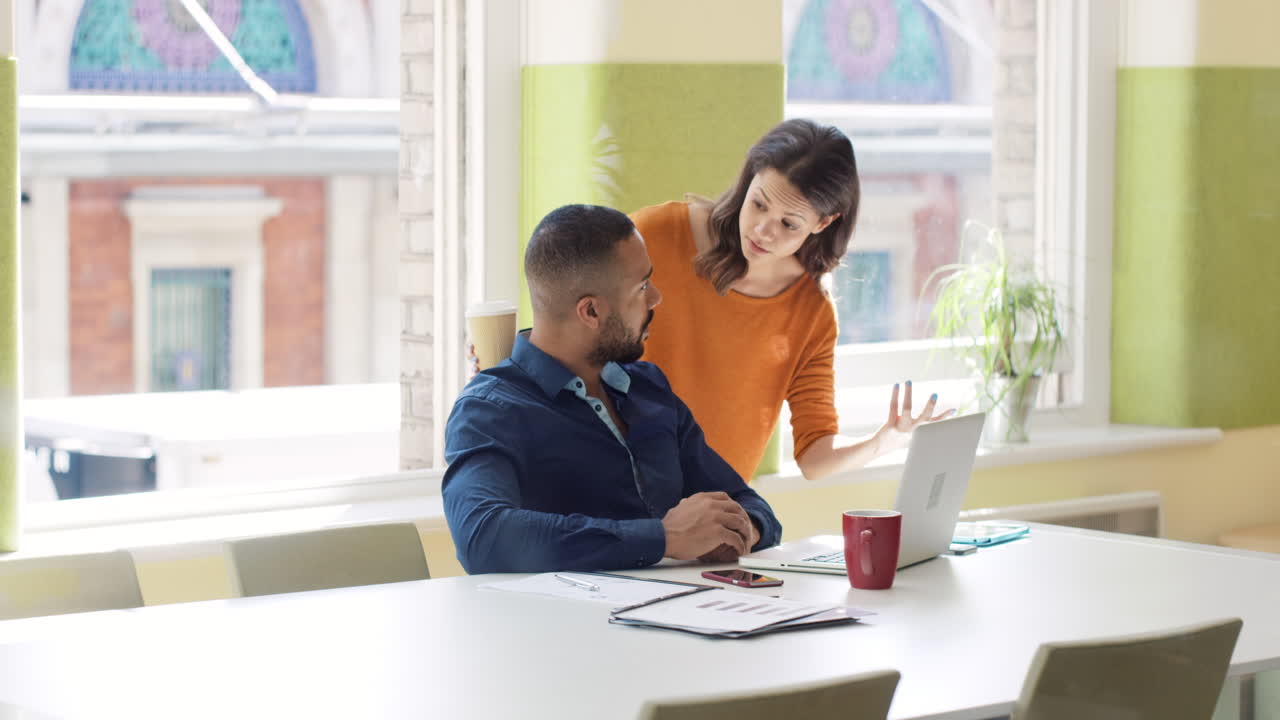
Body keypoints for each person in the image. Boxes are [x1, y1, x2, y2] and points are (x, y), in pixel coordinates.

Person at [443, 204, 782, 574]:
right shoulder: (490, 408)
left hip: (683, 613)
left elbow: (749, 503)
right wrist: (664, 538)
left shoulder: (649, 388)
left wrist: (743, 529)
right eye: (642, 286)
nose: (656, 298)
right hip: (564, 626)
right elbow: (482, 536)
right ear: (590, 312)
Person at [631, 118, 952, 483]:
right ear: (750, 178)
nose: (763, 230)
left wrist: (885, 441)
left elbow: (815, 457)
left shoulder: (810, 313)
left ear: (823, 223)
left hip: (716, 519)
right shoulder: (653, 235)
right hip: (616, 496)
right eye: (759, 204)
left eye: (789, 224)